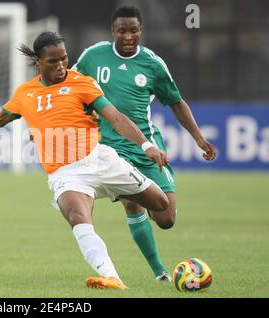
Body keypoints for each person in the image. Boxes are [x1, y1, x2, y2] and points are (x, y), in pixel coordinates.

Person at [0, 32, 170, 290]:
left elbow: (115, 117)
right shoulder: (25, 93)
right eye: (53, 61)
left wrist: (145, 145)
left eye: (64, 59)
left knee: (162, 207)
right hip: (67, 174)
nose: (61, 66)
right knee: (78, 217)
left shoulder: (82, 83)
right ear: (38, 61)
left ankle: (127, 202)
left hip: (100, 160)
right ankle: (112, 277)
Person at [72, 6, 217, 281]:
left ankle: (154, 195)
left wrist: (198, 138)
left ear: (141, 31)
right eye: (123, 30)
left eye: (134, 30)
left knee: (166, 218)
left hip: (147, 145)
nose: (128, 36)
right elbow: (69, 85)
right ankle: (159, 272)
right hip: (110, 148)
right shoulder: (93, 56)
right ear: (113, 31)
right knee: (132, 203)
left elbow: (176, 102)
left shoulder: (152, 64)